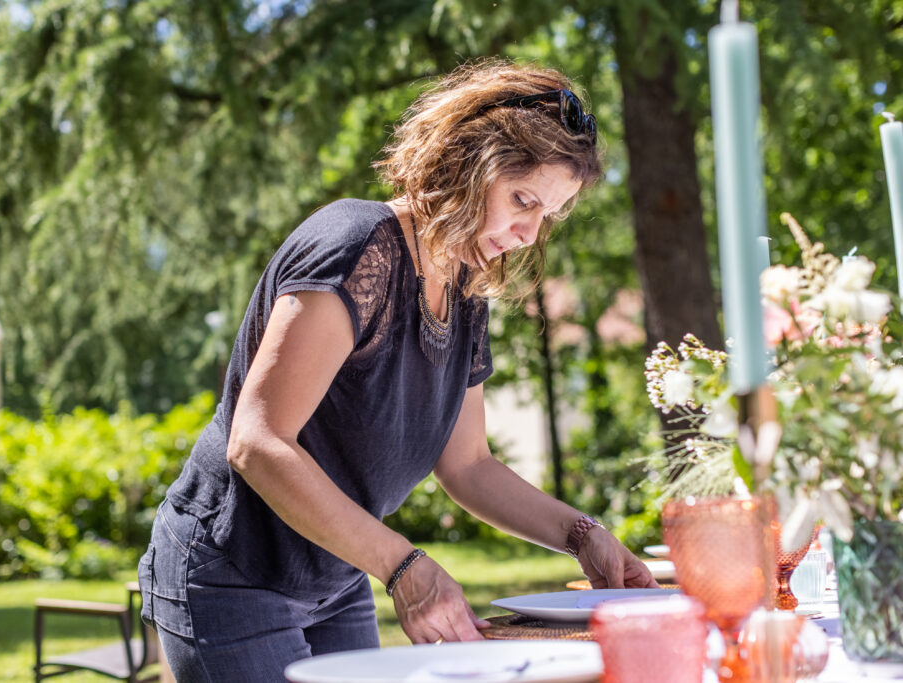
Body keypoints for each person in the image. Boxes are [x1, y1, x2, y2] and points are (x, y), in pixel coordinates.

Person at [138, 60, 658, 682]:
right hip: (230, 570)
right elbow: (257, 442)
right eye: (522, 200)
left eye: (547, 215)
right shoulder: (356, 246)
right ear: (468, 162)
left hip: (335, 570)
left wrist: (580, 534)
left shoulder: (466, 288)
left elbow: (468, 465)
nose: (527, 233)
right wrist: (405, 567)